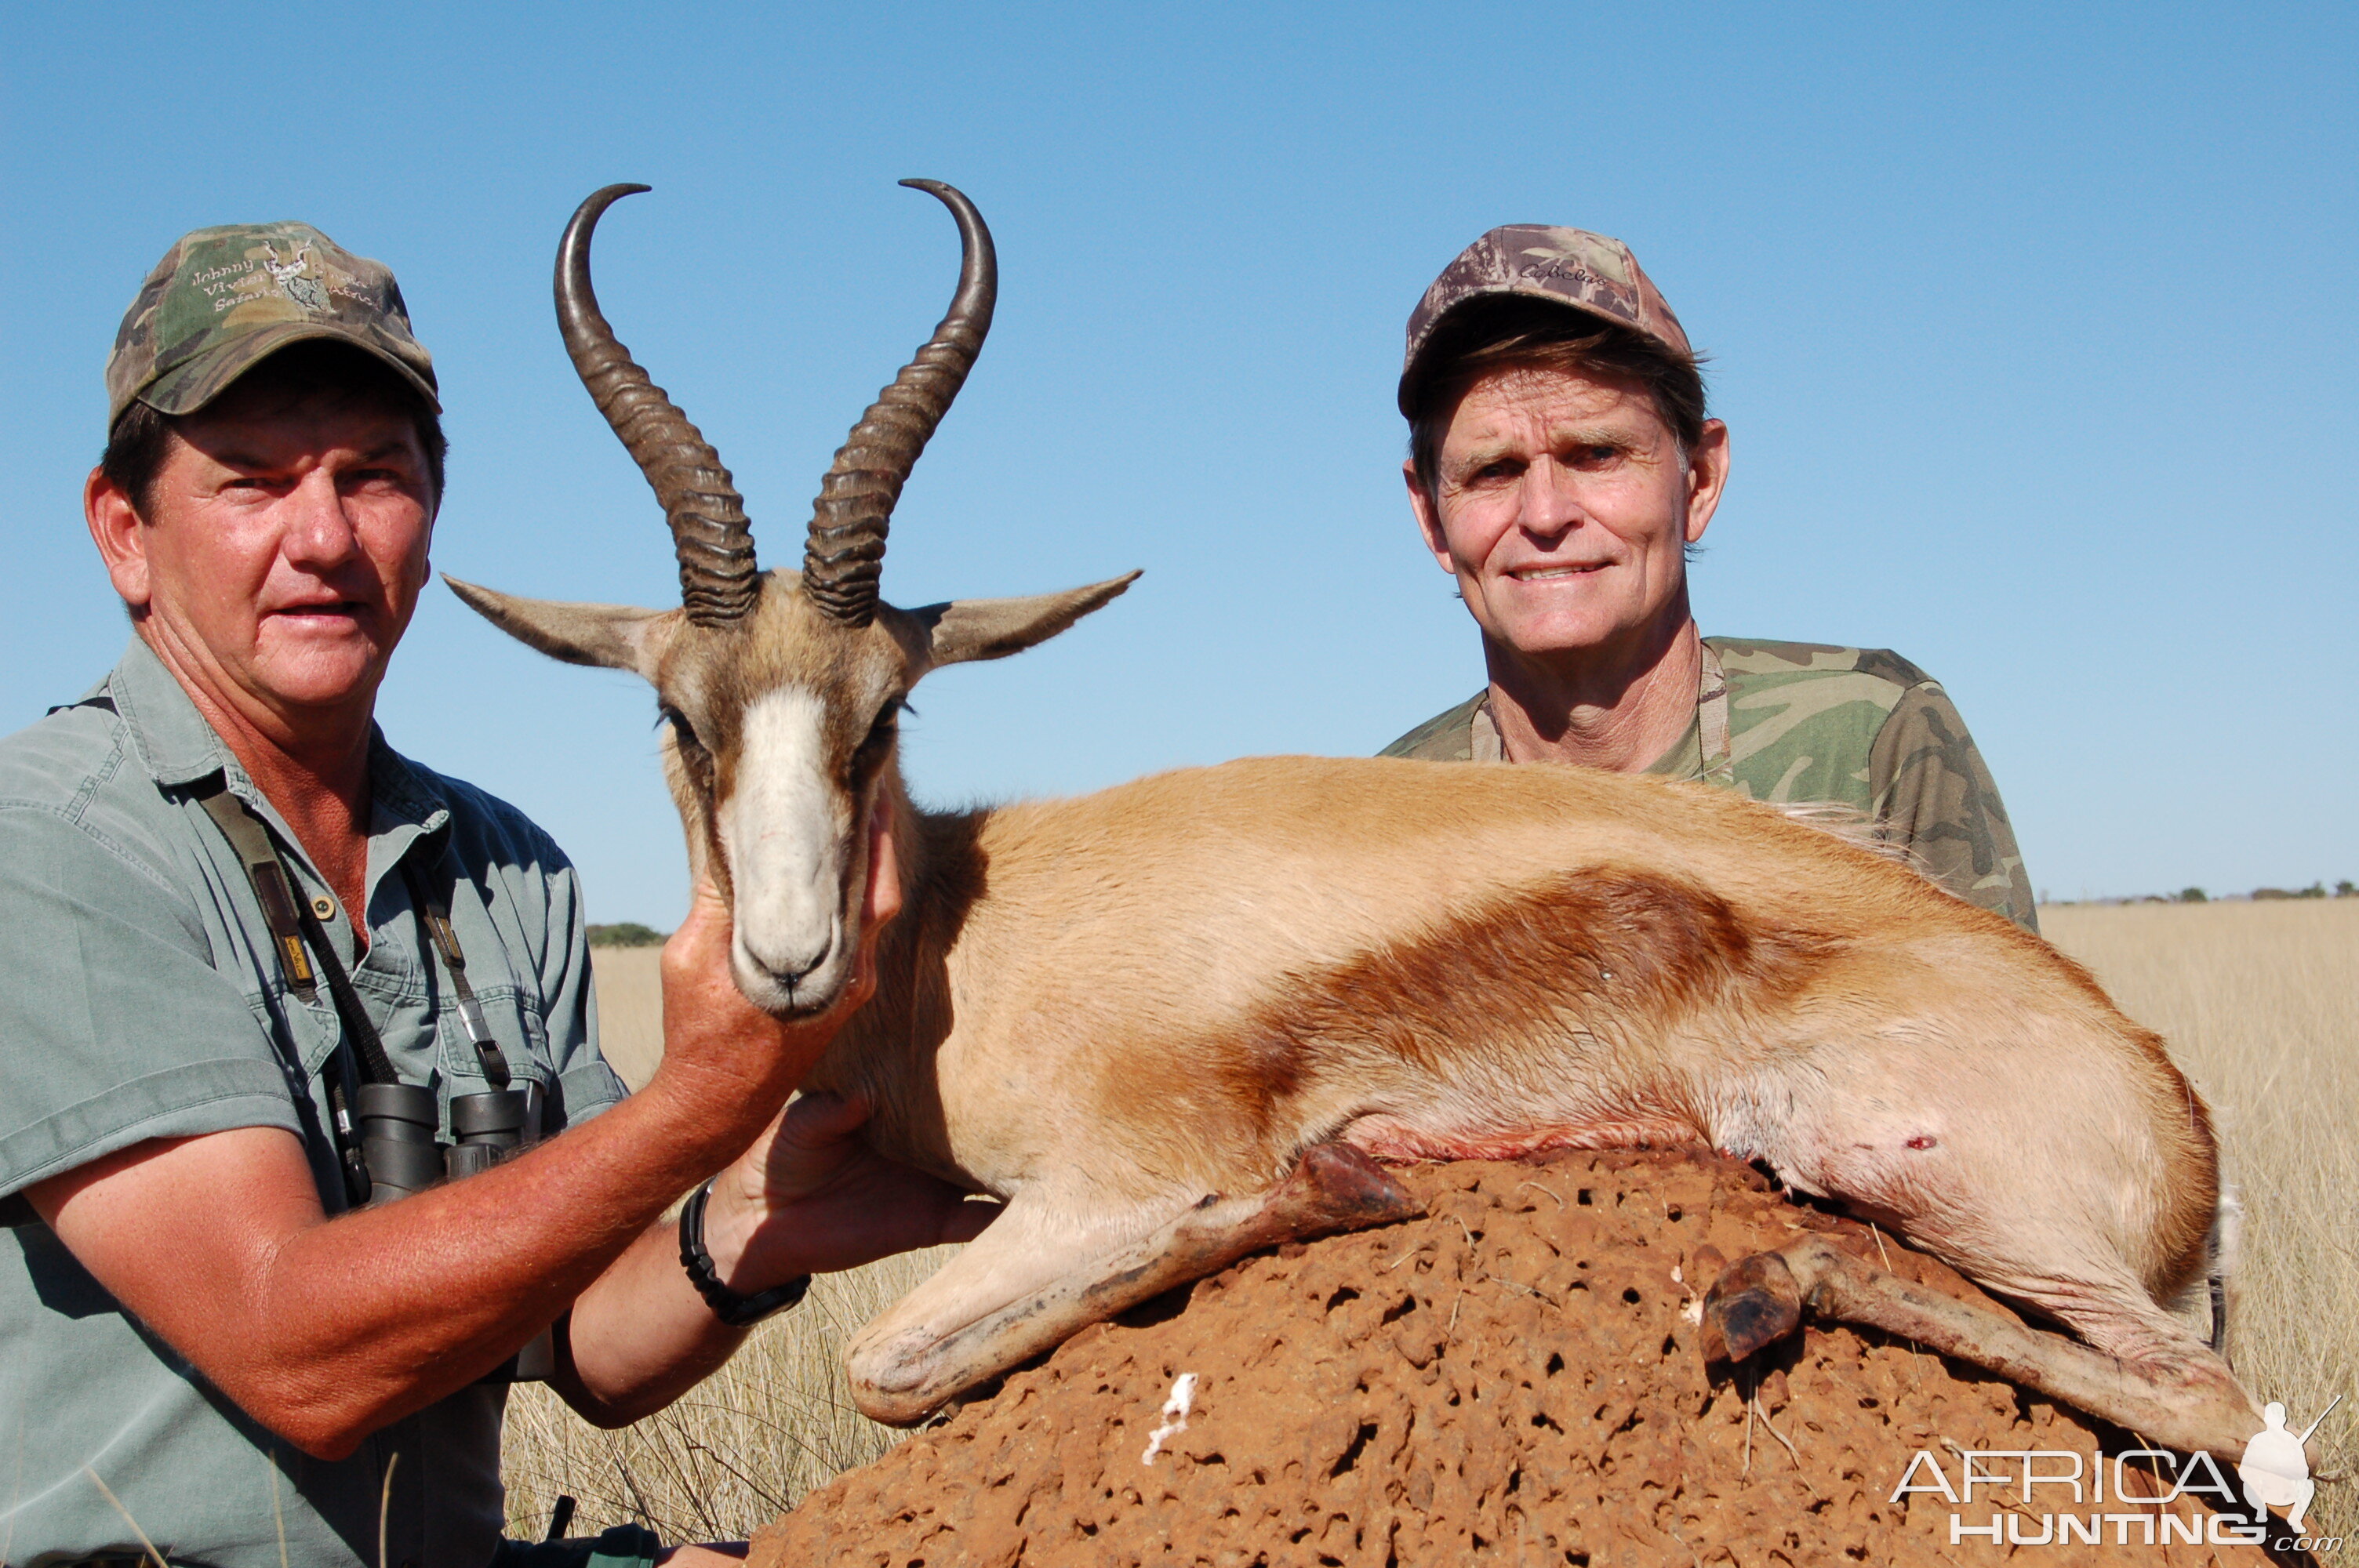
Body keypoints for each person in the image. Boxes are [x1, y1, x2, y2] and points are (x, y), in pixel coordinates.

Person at [0, 222, 990, 1567]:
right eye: (249, 483)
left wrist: (747, 1227)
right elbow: (303, 1361)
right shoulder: (47, 844)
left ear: (431, 509)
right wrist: (705, 1098)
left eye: (372, 475)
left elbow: (584, 1346)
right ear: (125, 534)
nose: (322, 537)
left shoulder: (499, 866)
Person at [1381, 225, 2037, 930]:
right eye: (1493, 470)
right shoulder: (1385, 827)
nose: (1544, 514)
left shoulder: (1871, 739)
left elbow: (2012, 1033)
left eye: (1597, 454)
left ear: (1700, 479)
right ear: (1429, 515)